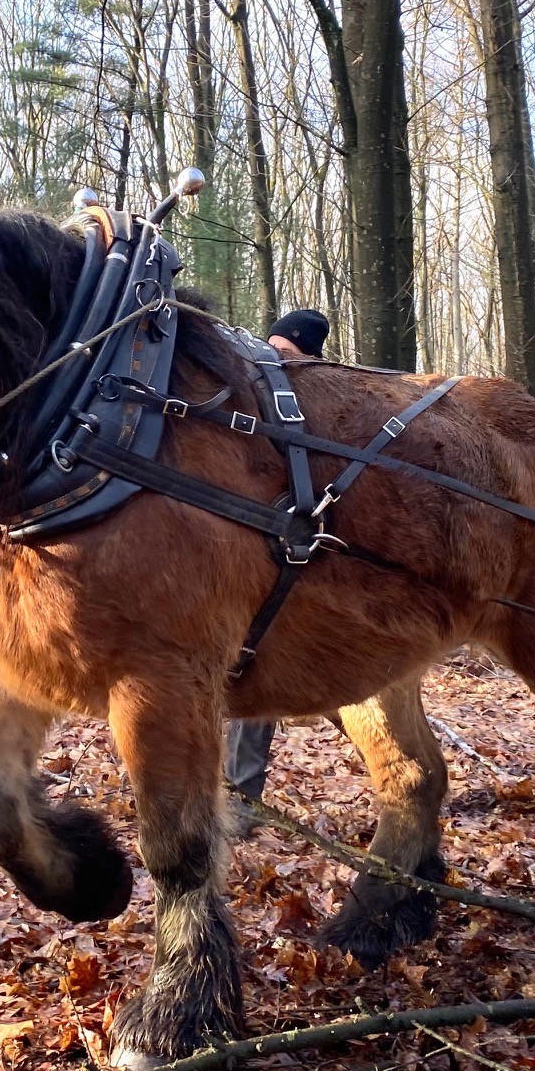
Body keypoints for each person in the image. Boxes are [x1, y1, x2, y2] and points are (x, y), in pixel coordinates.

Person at [225, 310, 331, 801]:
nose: (275, 360)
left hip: (318, 566)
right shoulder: (259, 398)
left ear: (310, 357)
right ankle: (238, 795)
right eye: (271, 349)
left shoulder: (329, 406)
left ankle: (240, 798)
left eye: (286, 353)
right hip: (255, 557)